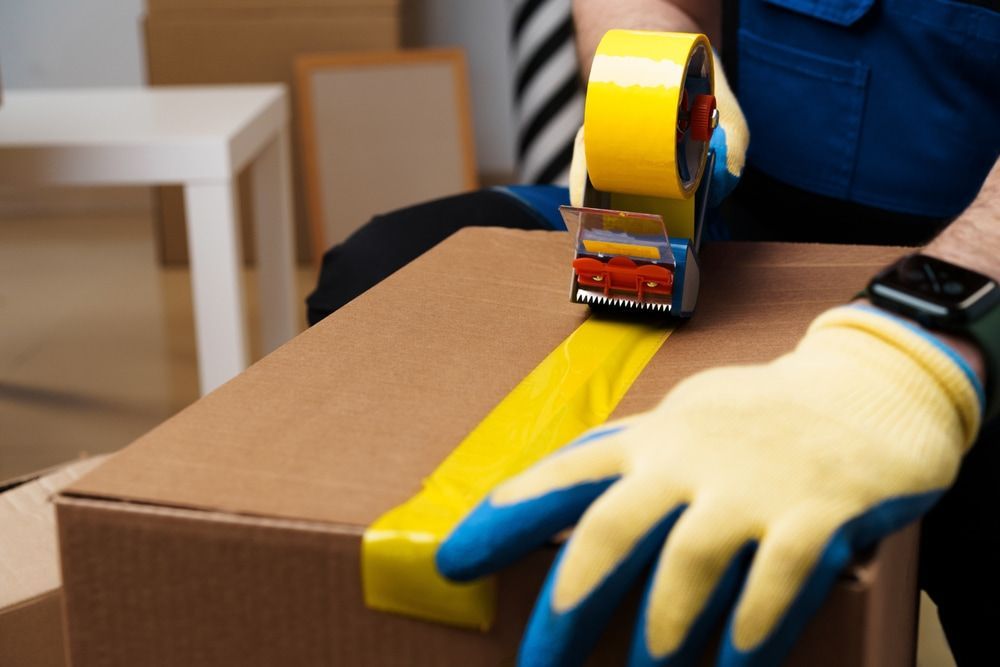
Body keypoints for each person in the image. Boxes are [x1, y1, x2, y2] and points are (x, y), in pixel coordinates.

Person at [308, 1, 999, 664]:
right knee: (382, 268)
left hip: (972, 262)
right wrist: (651, 82)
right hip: (728, 212)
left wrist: (915, 351)